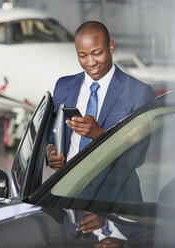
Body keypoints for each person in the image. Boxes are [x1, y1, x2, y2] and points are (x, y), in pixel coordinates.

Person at [47, 21, 153, 238]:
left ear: (110, 47)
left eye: (97, 53)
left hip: (119, 205)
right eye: (82, 55)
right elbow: (52, 132)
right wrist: (51, 150)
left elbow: (136, 157)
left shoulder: (138, 92)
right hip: (70, 198)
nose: (90, 62)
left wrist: (99, 135)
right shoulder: (63, 86)